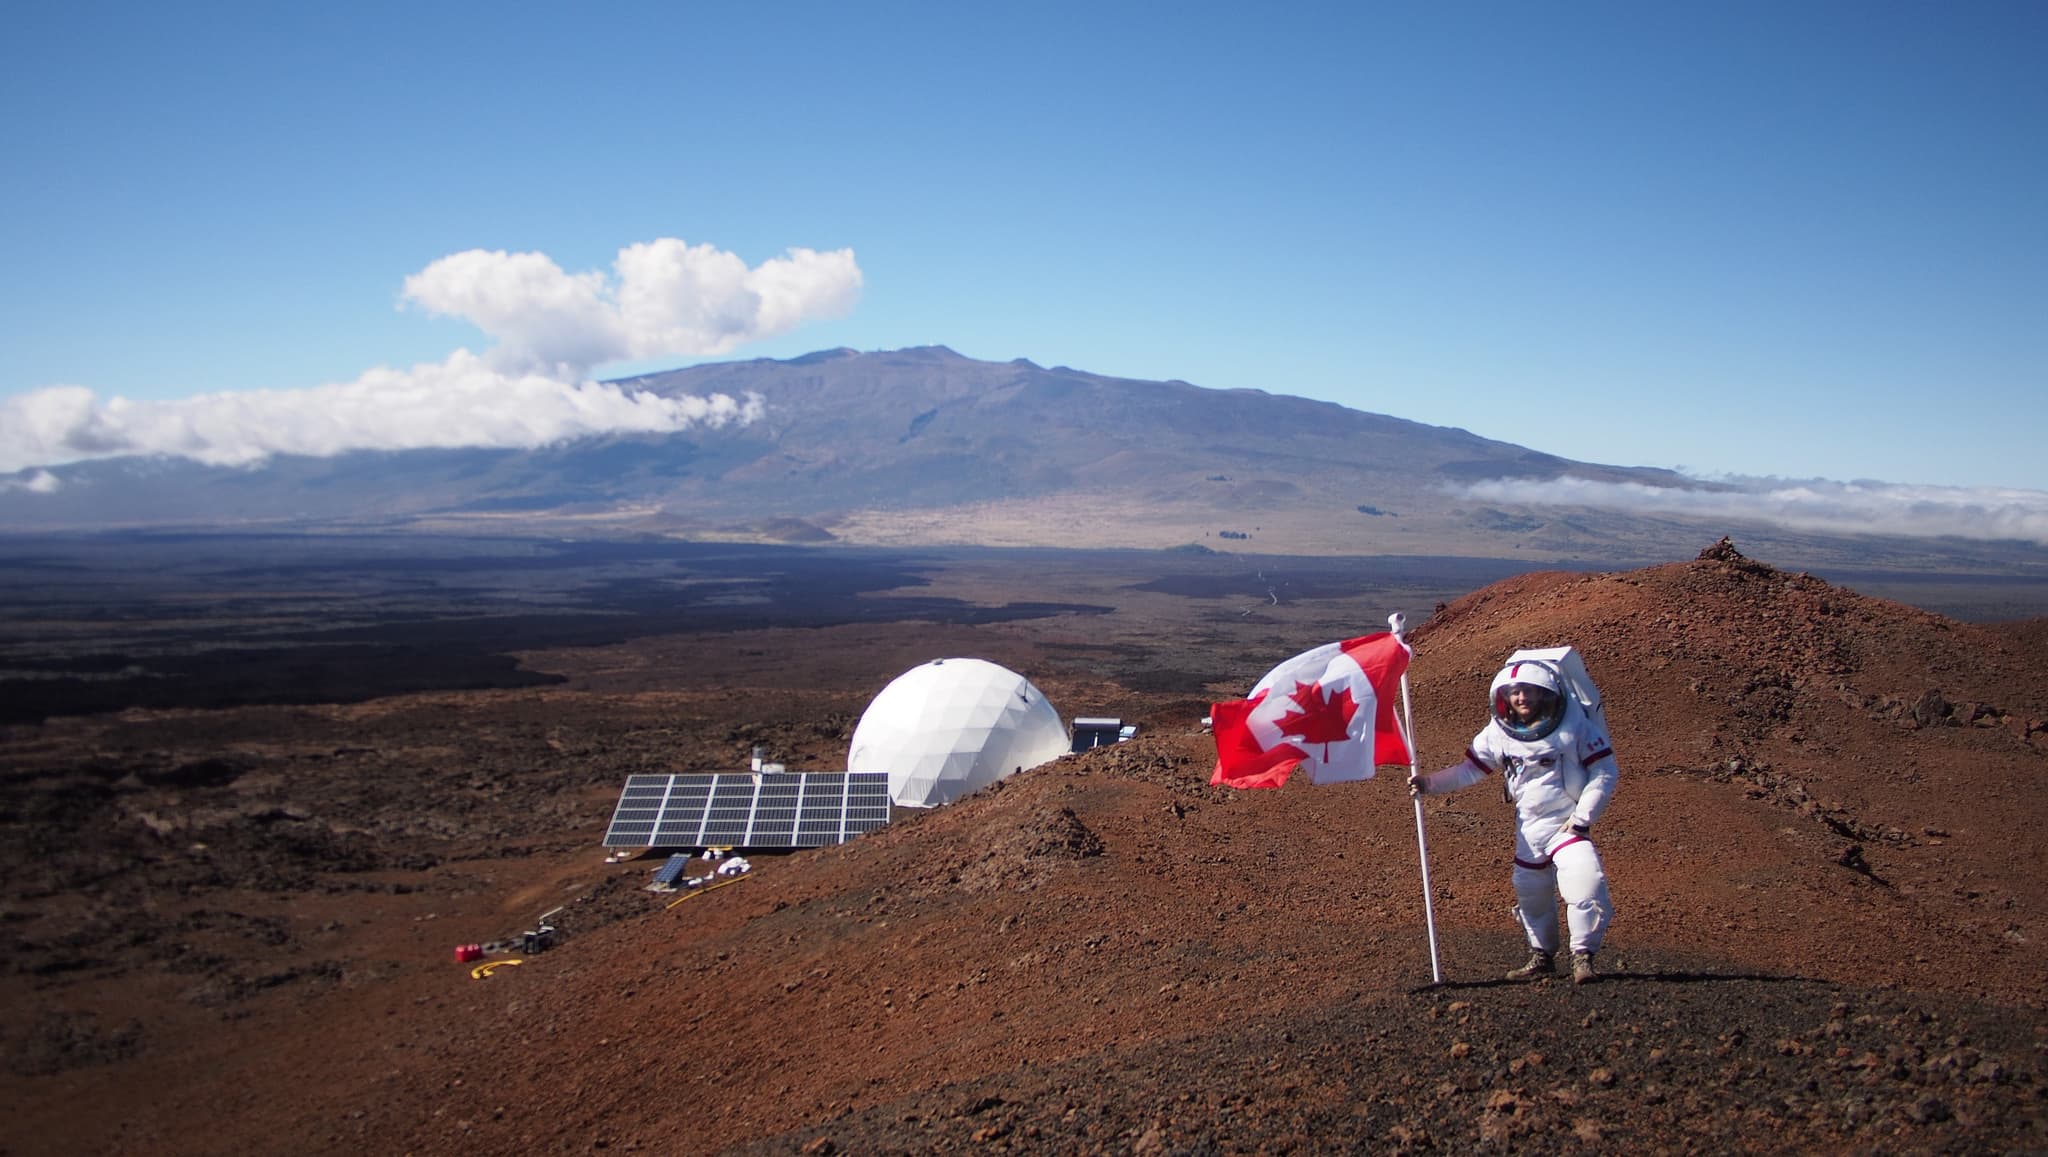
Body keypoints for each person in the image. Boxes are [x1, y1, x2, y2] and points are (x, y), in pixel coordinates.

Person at [1409, 658, 1618, 984]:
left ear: (1545, 694)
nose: (1522, 698)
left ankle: (1583, 958)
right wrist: (1428, 784)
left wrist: (1582, 817)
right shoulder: (1499, 733)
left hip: (1565, 823)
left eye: (1530, 692)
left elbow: (1604, 771)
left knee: (1585, 881)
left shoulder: (1573, 726)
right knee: (1531, 893)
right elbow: (1470, 770)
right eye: (1515, 692)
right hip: (1529, 827)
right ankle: (1542, 956)